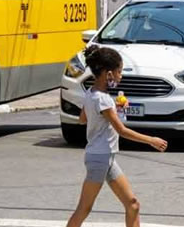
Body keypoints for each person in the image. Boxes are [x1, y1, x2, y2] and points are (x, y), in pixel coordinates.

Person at [66, 45, 168, 227]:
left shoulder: (93, 94)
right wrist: (151, 140)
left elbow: (82, 119)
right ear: (108, 74)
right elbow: (122, 130)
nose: (121, 76)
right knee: (84, 208)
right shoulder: (103, 99)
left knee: (133, 205)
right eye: (119, 72)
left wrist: (112, 110)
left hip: (107, 157)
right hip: (100, 158)